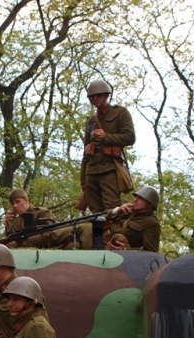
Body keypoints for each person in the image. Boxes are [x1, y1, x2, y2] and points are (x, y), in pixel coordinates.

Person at [80, 79, 136, 213]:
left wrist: (106, 137)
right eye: (92, 97)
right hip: (91, 170)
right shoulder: (91, 121)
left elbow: (130, 137)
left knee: (113, 210)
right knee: (95, 214)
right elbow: (86, 150)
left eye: (98, 95)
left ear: (106, 95)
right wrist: (83, 178)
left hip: (110, 168)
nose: (95, 99)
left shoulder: (120, 113)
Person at [105, 185, 162, 252]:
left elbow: (151, 252)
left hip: (112, 252)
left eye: (140, 198)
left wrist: (125, 250)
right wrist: (117, 211)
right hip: (98, 238)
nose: (135, 200)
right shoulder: (126, 211)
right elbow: (98, 218)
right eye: (136, 197)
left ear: (150, 204)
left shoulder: (151, 222)